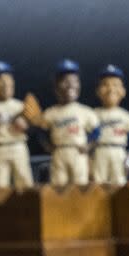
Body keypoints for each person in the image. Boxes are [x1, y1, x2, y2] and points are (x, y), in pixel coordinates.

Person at [26, 59, 100, 187]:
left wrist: (88, 145)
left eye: (74, 81)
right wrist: (47, 146)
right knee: (59, 187)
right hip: (59, 152)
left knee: (80, 186)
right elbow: (41, 132)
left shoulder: (85, 111)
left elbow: (97, 131)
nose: (70, 85)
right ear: (56, 87)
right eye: (65, 81)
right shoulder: (51, 113)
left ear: (79, 85)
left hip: (78, 152)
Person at [91, 64, 129, 185]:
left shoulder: (126, 116)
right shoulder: (92, 114)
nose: (110, 89)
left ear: (123, 91)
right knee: (98, 184)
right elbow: (87, 137)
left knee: (119, 184)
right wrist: (86, 157)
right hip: (99, 152)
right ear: (98, 91)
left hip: (119, 152)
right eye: (105, 84)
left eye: (115, 85)